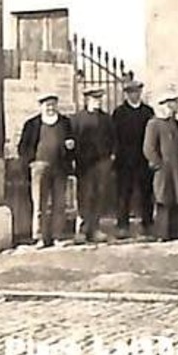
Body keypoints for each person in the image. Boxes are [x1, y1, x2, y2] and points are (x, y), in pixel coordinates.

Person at [17, 94, 76, 248]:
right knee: (40, 204)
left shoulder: (65, 123)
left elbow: (72, 143)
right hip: (40, 168)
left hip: (60, 168)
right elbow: (23, 147)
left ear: (57, 106)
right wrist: (31, 162)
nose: (50, 108)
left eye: (53, 105)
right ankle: (40, 237)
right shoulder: (32, 124)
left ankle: (58, 236)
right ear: (41, 107)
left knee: (59, 203)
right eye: (47, 105)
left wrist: (70, 149)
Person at [142, 93, 178, 240]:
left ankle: (177, 231)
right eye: (174, 103)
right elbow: (148, 148)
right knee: (164, 198)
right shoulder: (154, 124)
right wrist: (159, 165)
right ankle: (162, 233)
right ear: (167, 105)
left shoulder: (174, 123)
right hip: (164, 170)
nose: (177, 106)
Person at [71, 87, 116, 244]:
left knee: (99, 195)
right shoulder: (77, 119)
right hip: (84, 164)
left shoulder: (106, 119)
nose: (96, 102)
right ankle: (82, 230)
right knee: (84, 196)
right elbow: (72, 141)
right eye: (93, 99)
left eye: (99, 99)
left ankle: (95, 229)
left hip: (102, 162)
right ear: (87, 100)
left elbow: (113, 138)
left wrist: (111, 155)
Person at [112, 79, 155, 237]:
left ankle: (147, 224)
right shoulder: (119, 113)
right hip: (124, 160)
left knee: (146, 193)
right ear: (126, 94)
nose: (134, 95)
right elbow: (114, 136)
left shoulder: (147, 112)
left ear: (140, 93)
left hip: (143, 159)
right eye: (130, 92)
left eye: (136, 92)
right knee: (124, 193)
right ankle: (122, 225)